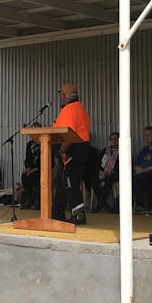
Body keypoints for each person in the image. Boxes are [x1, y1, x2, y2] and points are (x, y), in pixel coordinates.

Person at [51, 83, 91, 224]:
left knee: (69, 182)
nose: (60, 98)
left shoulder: (70, 109)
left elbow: (69, 133)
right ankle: (57, 212)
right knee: (63, 181)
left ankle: (78, 214)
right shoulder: (80, 108)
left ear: (67, 96)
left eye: (62, 95)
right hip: (79, 148)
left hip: (71, 149)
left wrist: (62, 150)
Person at [94, 132, 120, 213]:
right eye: (111, 139)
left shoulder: (122, 150)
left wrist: (109, 172)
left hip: (115, 173)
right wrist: (100, 172)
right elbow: (99, 162)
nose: (113, 141)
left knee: (108, 180)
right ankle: (104, 205)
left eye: (115, 139)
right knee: (93, 180)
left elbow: (121, 166)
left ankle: (100, 204)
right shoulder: (105, 150)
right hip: (103, 172)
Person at [20, 123, 42, 209]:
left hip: (42, 168)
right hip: (32, 168)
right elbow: (27, 159)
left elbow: (49, 160)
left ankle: (37, 200)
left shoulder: (44, 142)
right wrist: (28, 168)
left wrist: (35, 169)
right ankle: (29, 199)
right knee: (24, 175)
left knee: (33, 176)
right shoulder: (29, 144)